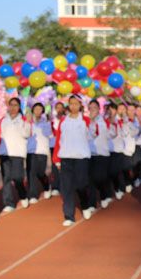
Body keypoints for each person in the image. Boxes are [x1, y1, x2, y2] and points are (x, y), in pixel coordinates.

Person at [52, 96, 95, 226]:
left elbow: (92, 135)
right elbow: (59, 140)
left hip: (81, 157)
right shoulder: (63, 121)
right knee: (67, 188)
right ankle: (69, 216)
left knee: (81, 185)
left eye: (76, 104)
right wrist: (57, 159)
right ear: (68, 105)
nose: (73, 106)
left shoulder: (86, 120)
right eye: (71, 104)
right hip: (66, 157)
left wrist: (92, 122)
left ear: (80, 106)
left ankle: (85, 205)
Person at [0, 97, 31, 213]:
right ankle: (9, 203)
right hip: (4, 153)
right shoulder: (3, 120)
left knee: (17, 178)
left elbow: (26, 134)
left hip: (17, 153)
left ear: (19, 107)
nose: (13, 107)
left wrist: (26, 122)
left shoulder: (24, 120)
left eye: (15, 105)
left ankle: (22, 195)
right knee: (6, 179)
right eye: (11, 105)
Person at [87, 100, 113, 209]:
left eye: (95, 107)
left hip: (102, 153)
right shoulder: (85, 121)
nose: (92, 109)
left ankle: (104, 195)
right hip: (90, 153)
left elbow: (112, 134)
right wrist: (91, 121)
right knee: (90, 180)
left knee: (100, 177)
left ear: (99, 109)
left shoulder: (105, 121)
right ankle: (91, 203)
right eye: (90, 107)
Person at [26, 103, 53, 204]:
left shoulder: (46, 123)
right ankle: (32, 195)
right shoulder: (28, 122)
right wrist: (28, 123)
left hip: (42, 151)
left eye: (39, 109)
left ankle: (46, 186)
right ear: (33, 110)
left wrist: (48, 123)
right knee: (31, 173)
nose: (37, 111)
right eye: (36, 109)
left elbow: (49, 135)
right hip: (30, 151)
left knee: (40, 173)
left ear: (42, 111)